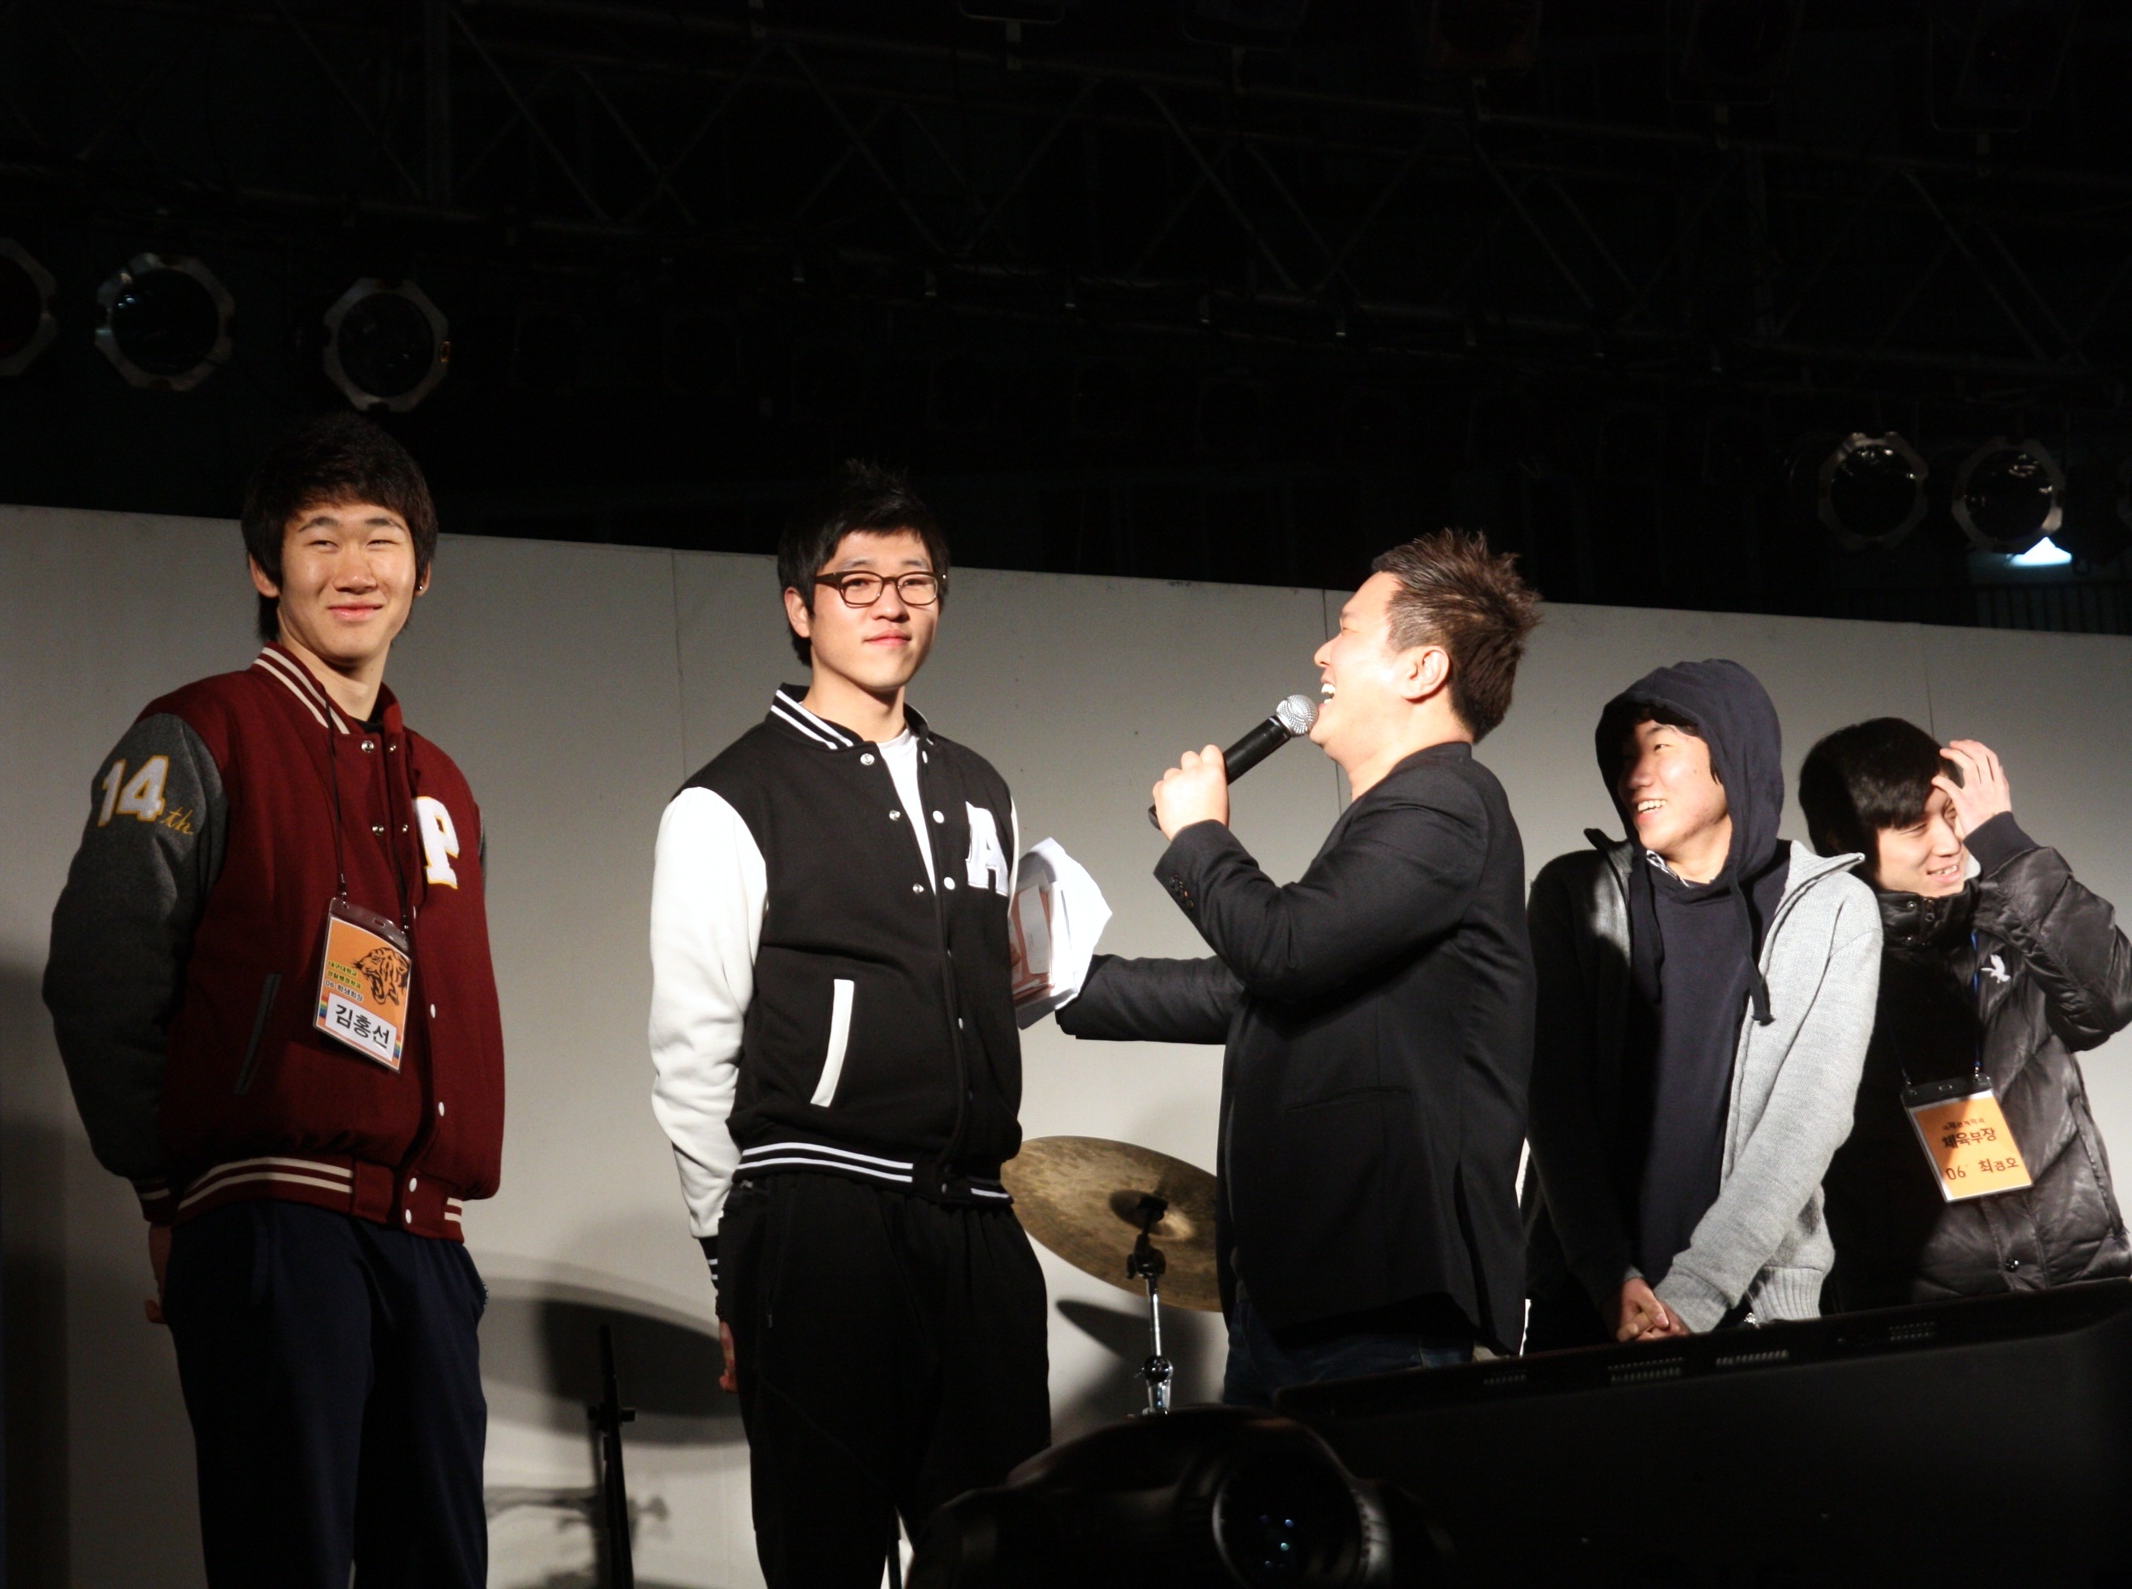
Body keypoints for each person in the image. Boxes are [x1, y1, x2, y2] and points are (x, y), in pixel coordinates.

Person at [44, 413, 504, 1589]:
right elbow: (104, 972)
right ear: (265, 567)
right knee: (284, 1556)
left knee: (439, 1565)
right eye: (320, 537)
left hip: (427, 1234)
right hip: (271, 1219)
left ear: (423, 572)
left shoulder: (440, 781)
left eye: (382, 538)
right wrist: (166, 1187)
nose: (355, 567)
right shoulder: (200, 731)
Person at [647, 461, 1047, 1587]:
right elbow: (692, 1051)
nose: (890, 605)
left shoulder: (981, 787)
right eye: (858, 581)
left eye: (916, 581)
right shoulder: (730, 798)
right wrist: (733, 1258)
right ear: (800, 605)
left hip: (978, 1217)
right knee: (828, 1551)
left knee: (1006, 1552)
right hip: (819, 1222)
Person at [1057, 531, 1541, 1397]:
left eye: (1348, 630)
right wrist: (1058, 981)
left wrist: (1201, 834)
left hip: (1380, 1301)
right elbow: (1254, 987)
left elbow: (1283, 950)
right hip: (1311, 1297)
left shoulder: (1446, 802)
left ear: (1422, 668)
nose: (1322, 652)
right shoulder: (1407, 815)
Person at [1522, 660, 1880, 1351]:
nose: (1635, 776)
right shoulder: (1574, 893)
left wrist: (1695, 1294)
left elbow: (1810, 1114)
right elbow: (1552, 1098)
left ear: (1733, 751)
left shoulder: (1834, 907)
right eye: (1625, 757)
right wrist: (1607, 1276)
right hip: (1587, 1302)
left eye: (1661, 747)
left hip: (1753, 1308)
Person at [1799, 721, 2132, 1309]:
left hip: (2079, 1287)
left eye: (1953, 817)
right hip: (1915, 1313)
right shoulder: (1813, 966)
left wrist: (2006, 843)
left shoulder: (2014, 921)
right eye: (1914, 828)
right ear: (1841, 838)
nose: (1950, 843)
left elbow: (2110, 998)